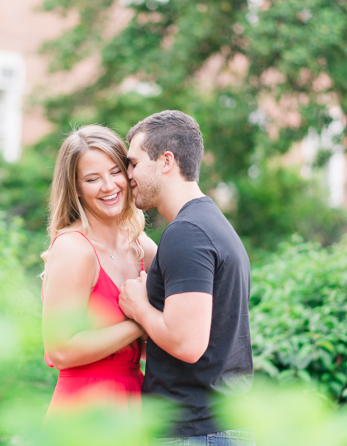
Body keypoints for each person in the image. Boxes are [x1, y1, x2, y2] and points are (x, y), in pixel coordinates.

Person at [118, 110, 255, 445]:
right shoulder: (208, 223)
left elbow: (187, 344)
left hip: (196, 431)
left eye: (134, 163)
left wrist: (139, 309)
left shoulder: (187, 232)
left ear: (166, 161)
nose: (127, 174)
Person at [41, 125, 157, 415]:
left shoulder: (144, 249)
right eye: (92, 179)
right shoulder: (74, 249)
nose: (109, 186)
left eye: (115, 171)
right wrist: (140, 322)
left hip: (135, 401)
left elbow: (157, 343)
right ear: (76, 188)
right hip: (84, 407)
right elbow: (61, 350)